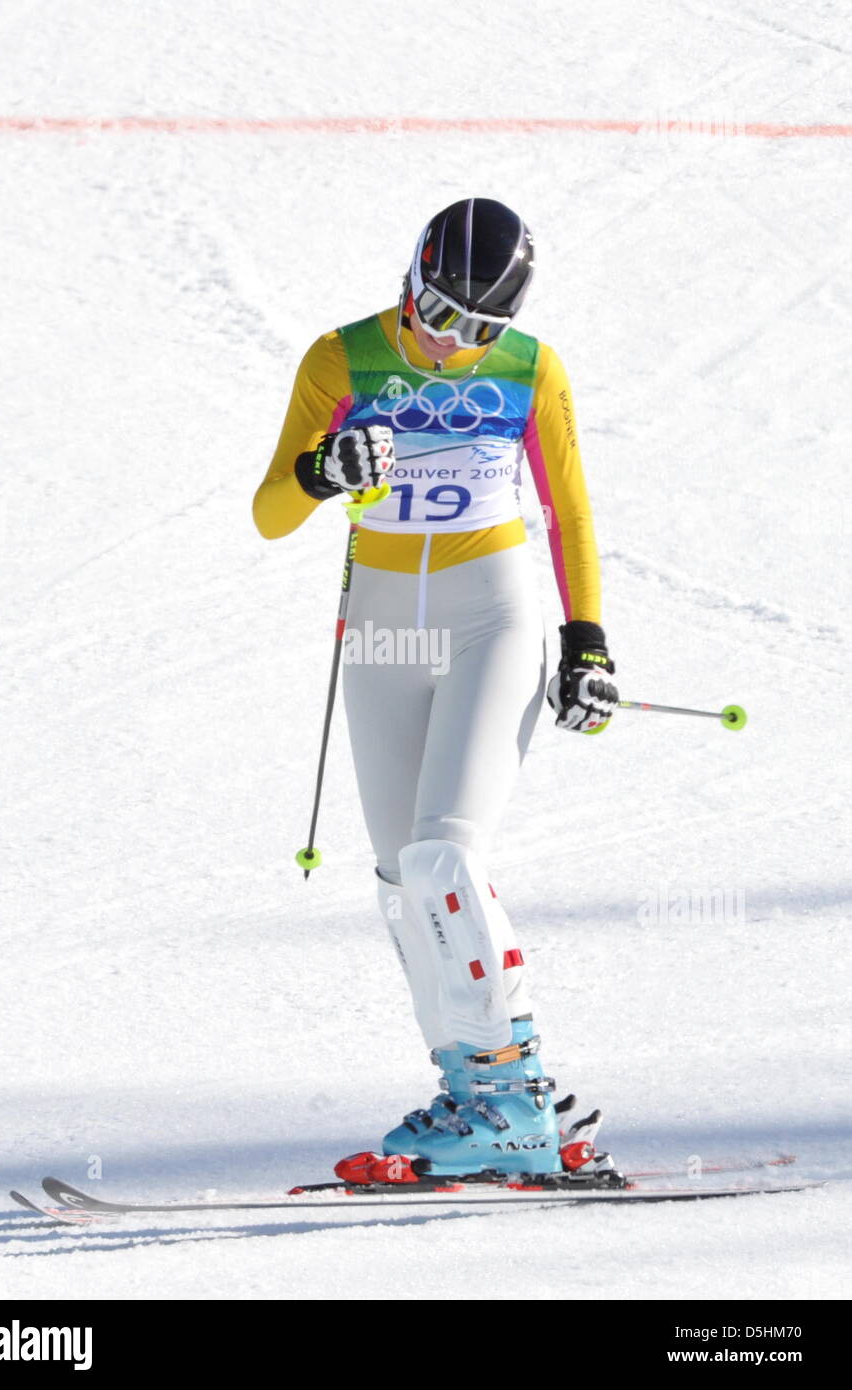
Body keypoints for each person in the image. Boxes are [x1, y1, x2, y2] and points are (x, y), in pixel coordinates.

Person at [253, 198, 618, 1181]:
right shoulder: (341, 359)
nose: (450, 342)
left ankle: (514, 1088)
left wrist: (584, 639)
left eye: (478, 329)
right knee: (398, 883)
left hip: (491, 618)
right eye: (438, 312)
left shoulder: (530, 370)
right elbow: (269, 515)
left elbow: (568, 509)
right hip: (377, 628)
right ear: (411, 278)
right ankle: (474, 1090)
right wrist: (320, 469)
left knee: (446, 854)